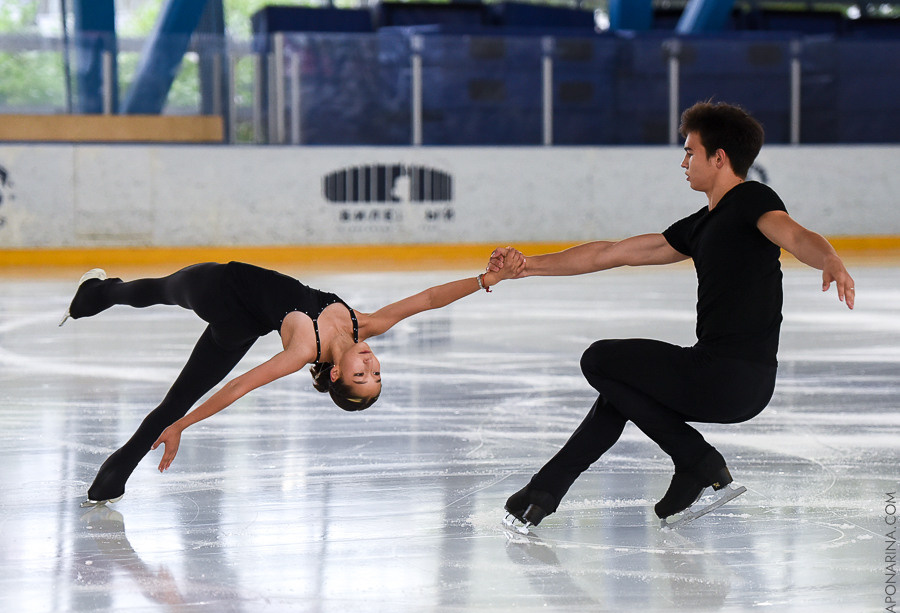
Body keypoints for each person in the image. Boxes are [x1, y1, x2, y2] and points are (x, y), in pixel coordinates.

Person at [494, 101, 855, 529]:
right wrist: (526, 266)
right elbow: (611, 253)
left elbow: (795, 235)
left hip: (729, 375)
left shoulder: (752, 200)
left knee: (599, 359)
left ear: (719, 158)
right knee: (618, 390)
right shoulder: (700, 225)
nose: (683, 163)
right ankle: (544, 492)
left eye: (690, 152)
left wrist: (829, 258)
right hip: (727, 378)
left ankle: (698, 460)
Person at [61, 256, 523, 507]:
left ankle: (97, 295)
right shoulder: (365, 325)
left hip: (221, 289)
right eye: (376, 373)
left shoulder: (304, 348)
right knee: (155, 299)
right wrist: (486, 279)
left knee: (157, 292)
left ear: (336, 374)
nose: (370, 365)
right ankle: (111, 481)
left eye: (361, 376)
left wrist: (183, 425)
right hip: (241, 325)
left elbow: (239, 386)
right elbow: (428, 299)